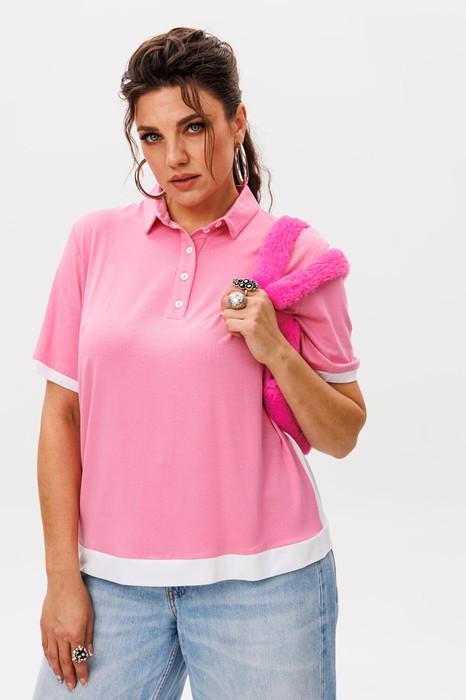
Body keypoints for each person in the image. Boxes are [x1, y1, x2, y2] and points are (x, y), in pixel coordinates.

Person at [30, 26, 366, 699]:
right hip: (111, 586)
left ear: (237, 122)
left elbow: (343, 434)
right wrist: (63, 579)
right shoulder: (94, 242)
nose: (175, 157)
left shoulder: (298, 255)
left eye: (194, 127)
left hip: (266, 588)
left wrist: (274, 348)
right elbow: (61, 417)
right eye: (152, 137)